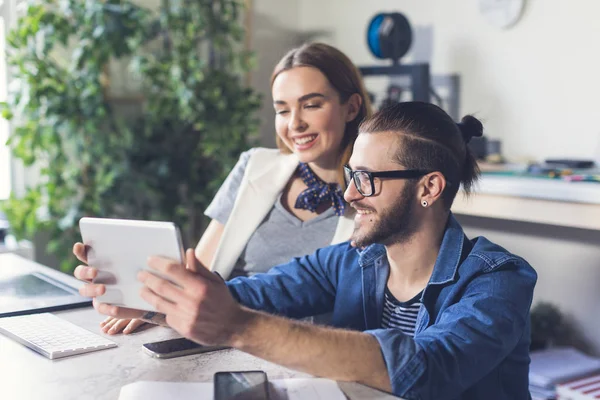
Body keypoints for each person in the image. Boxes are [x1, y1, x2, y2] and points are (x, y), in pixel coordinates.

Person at [75, 102, 537, 400]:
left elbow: (430, 371)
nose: (351, 195)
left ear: (429, 188)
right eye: (351, 175)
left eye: (366, 180)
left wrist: (237, 327)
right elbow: (253, 295)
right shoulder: (352, 260)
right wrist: (160, 300)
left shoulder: (498, 280)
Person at [75, 42, 372, 335]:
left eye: (311, 105)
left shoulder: (376, 193)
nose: (295, 123)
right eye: (282, 110)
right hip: (221, 338)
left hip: (310, 350)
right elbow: (202, 267)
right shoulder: (254, 166)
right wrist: (149, 298)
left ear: (351, 107)